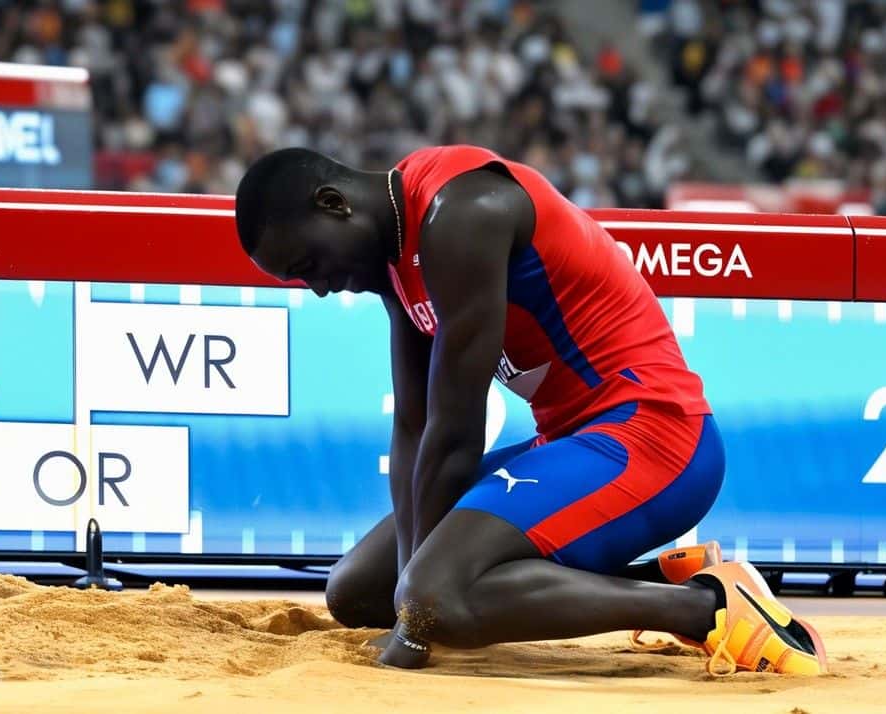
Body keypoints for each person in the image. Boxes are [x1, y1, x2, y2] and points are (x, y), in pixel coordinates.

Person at [234, 144, 826, 676]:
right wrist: (405, 605)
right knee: (359, 591)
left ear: (333, 204)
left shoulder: (462, 209)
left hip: (657, 437)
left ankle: (706, 607)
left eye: (307, 266)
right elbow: (413, 426)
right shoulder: (392, 256)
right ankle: (661, 576)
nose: (316, 288)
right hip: (576, 442)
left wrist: (417, 615)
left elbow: (455, 432)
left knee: (432, 596)